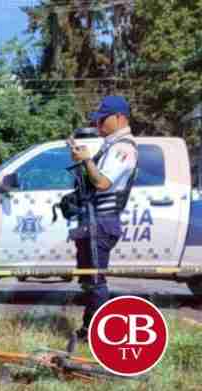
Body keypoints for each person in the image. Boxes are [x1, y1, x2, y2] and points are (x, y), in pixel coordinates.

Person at [68, 96, 138, 340]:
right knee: (88, 279)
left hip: (103, 221)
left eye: (102, 120)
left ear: (119, 117)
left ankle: (99, 334)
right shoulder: (110, 145)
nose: (98, 125)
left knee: (96, 280)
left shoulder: (124, 148)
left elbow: (102, 182)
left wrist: (87, 160)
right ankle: (89, 329)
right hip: (92, 221)